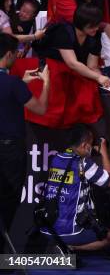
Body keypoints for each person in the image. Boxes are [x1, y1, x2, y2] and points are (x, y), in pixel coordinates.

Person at [0, 33, 49, 255]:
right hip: (10, 151)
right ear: (9, 54)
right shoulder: (13, 84)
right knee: (8, 202)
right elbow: (40, 108)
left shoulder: (13, 83)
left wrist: (21, 83)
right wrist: (46, 84)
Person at [27, 4, 110, 129]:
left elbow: (92, 66)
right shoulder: (64, 31)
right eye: (92, 26)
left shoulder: (94, 37)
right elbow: (72, 63)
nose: (96, 28)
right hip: (52, 67)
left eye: (97, 25)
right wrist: (98, 78)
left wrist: (102, 78)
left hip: (75, 70)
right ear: (82, 23)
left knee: (90, 85)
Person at [41, 124, 110, 251]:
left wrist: (90, 151)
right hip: (70, 232)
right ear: (85, 145)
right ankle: (69, 248)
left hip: (48, 229)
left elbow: (74, 160)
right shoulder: (84, 164)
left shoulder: (56, 159)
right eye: (90, 144)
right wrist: (104, 153)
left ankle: (60, 245)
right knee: (108, 236)